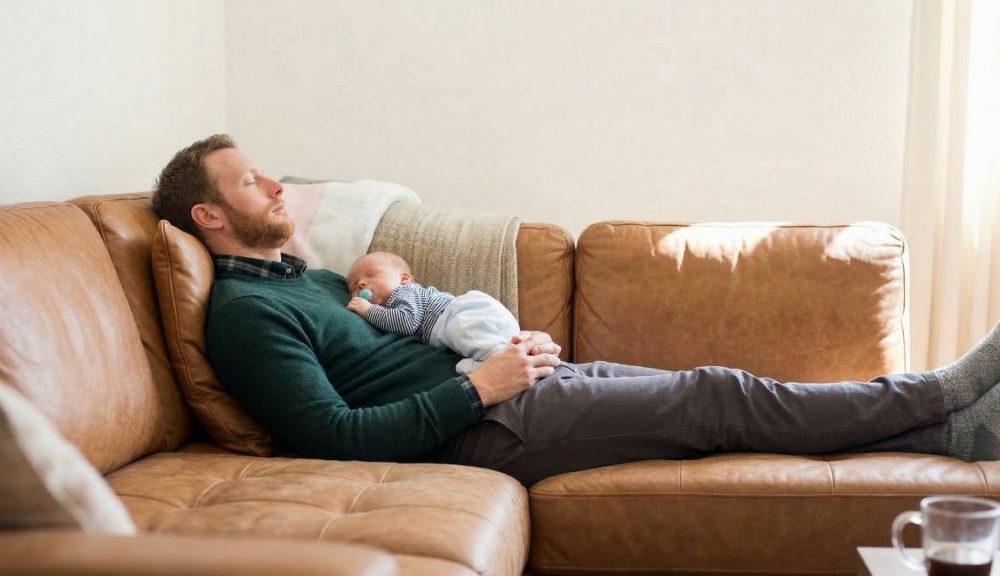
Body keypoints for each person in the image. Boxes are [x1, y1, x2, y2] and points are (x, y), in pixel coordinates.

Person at [152, 134, 1000, 487]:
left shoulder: (301, 281)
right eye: (250, 181)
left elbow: (390, 315)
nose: (275, 184)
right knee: (720, 395)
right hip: (483, 425)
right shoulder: (243, 316)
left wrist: (423, 306)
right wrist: (479, 387)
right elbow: (331, 435)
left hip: (504, 388)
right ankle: (938, 390)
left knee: (721, 405)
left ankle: (957, 438)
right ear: (210, 218)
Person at [345, 251, 521, 375]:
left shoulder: (404, 292)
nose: (361, 283)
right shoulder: (390, 306)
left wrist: (368, 310)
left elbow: (406, 322)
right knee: (473, 340)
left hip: (457, 313)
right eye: (354, 285)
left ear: (404, 279)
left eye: (372, 275)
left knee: (463, 330)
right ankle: (499, 355)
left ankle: (497, 361)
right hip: (483, 317)